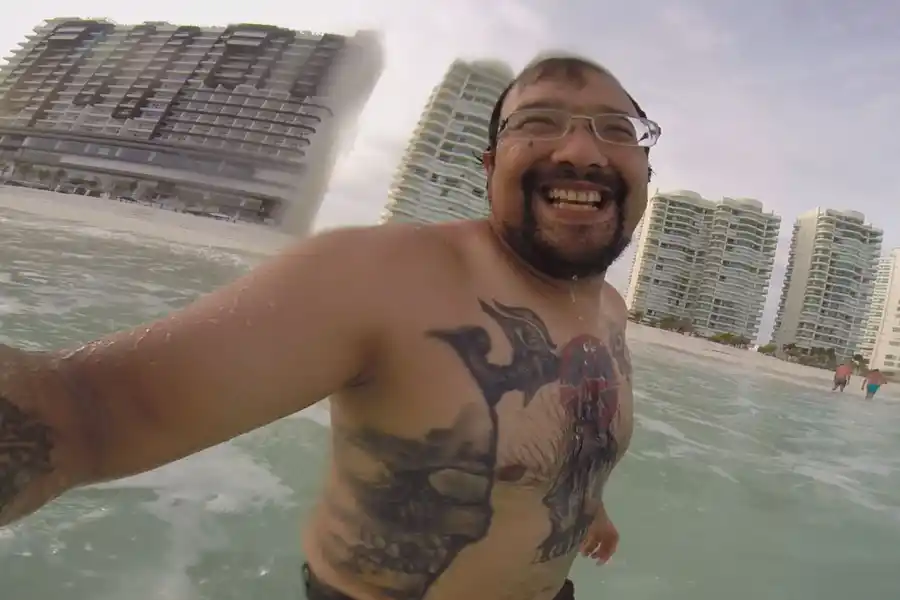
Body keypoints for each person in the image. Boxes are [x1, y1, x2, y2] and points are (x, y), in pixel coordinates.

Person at [0, 53, 660, 600]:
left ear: (644, 170)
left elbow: (571, 434)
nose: (582, 149)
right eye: (539, 122)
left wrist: (588, 507)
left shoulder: (608, 308)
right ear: (490, 166)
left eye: (616, 129)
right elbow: (87, 409)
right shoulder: (381, 274)